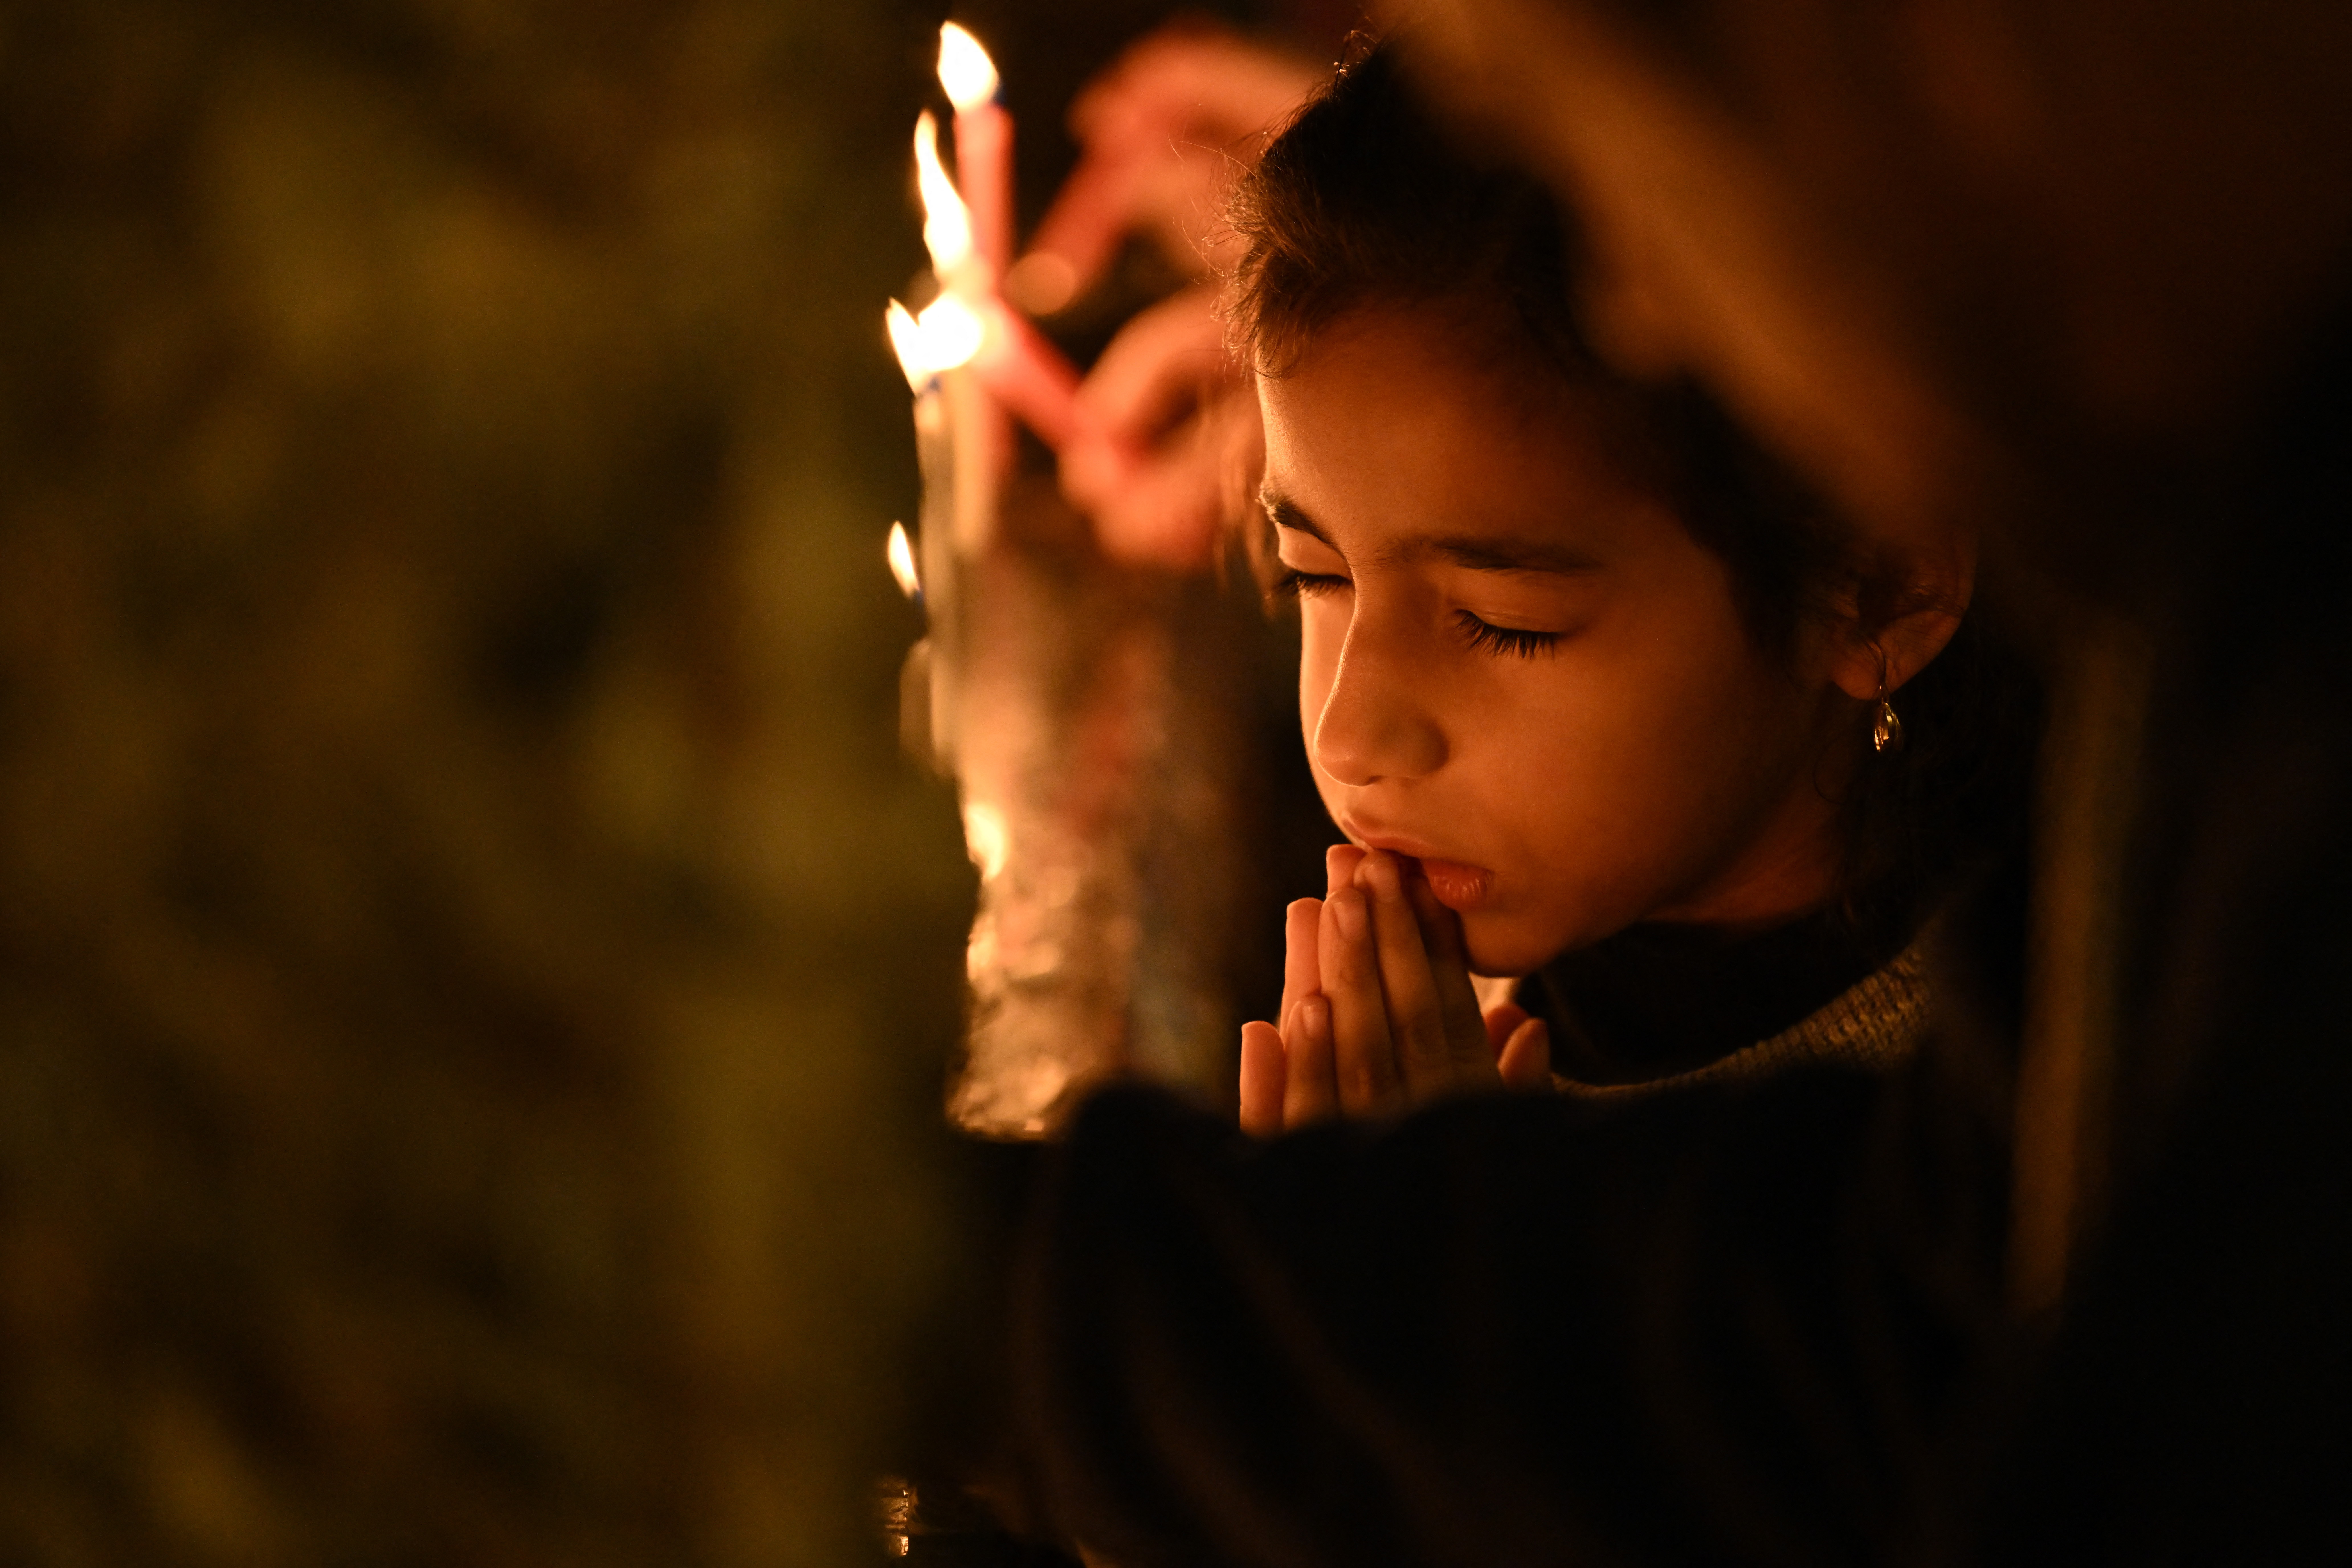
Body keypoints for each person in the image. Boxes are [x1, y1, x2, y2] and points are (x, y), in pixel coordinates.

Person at [1213, 46, 2027, 1138]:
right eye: (1314, 575)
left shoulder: (1996, 1125)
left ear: (1877, 586)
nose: (1351, 731)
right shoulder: (1439, 1036)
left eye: (1505, 626)